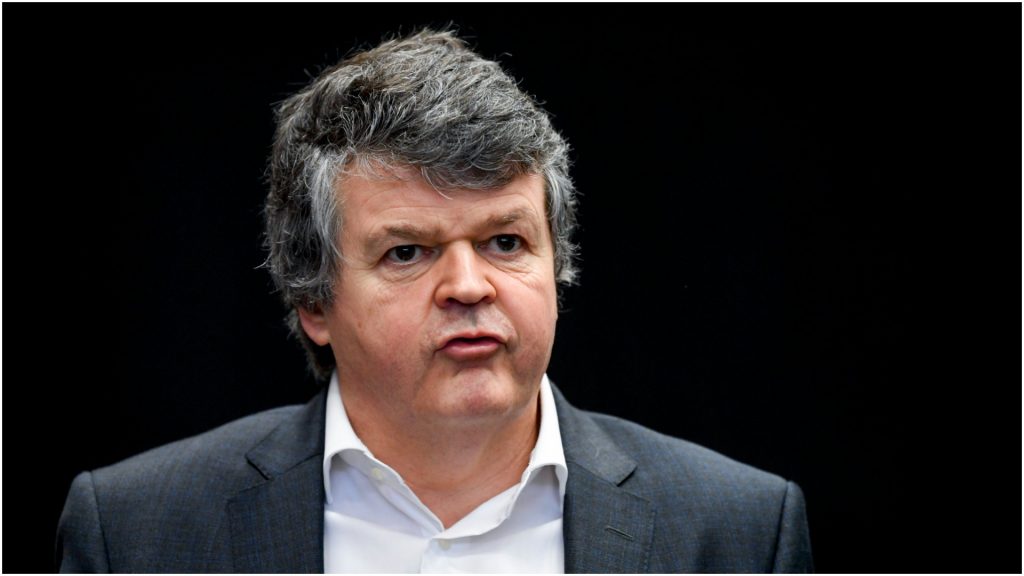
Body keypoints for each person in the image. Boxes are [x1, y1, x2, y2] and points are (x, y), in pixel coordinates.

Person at [56, 29, 812, 573]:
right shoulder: (136, 534)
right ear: (313, 302)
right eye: (407, 252)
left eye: (505, 242)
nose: (469, 286)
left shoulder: (739, 531)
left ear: (558, 265)